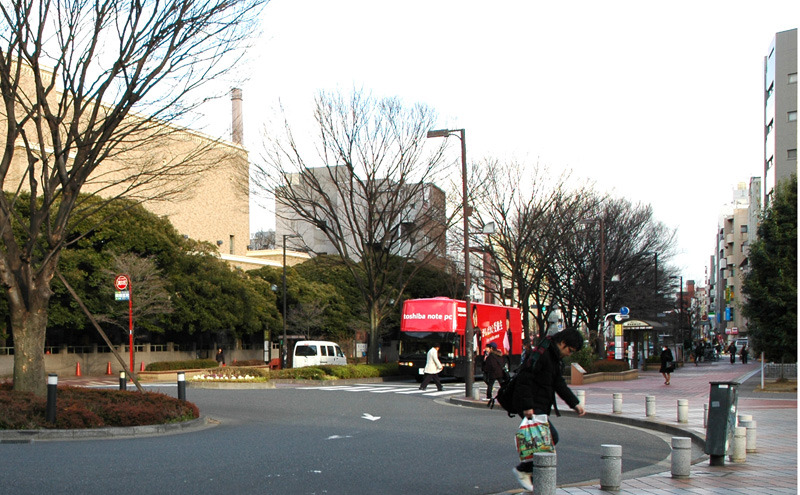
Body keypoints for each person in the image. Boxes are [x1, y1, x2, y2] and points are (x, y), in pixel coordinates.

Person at [510, 328, 586, 491]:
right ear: (563, 343)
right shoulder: (542, 353)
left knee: (543, 443)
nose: (569, 354)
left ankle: (534, 481)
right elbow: (524, 379)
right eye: (570, 350)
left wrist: (575, 403)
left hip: (540, 405)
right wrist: (527, 406)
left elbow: (559, 383)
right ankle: (523, 470)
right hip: (532, 404)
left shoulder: (553, 357)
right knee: (550, 439)